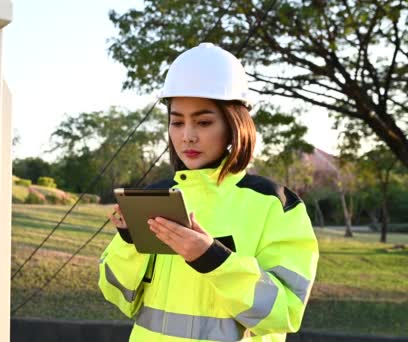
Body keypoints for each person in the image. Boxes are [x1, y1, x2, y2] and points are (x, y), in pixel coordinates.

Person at [98, 43, 319, 342]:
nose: (187, 135)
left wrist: (212, 258)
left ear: (233, 124)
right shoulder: (156, 196)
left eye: (203, 122)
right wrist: (128, 241)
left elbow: (286, 313)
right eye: (177, 122)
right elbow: (118, 296)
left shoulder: (275, 205)